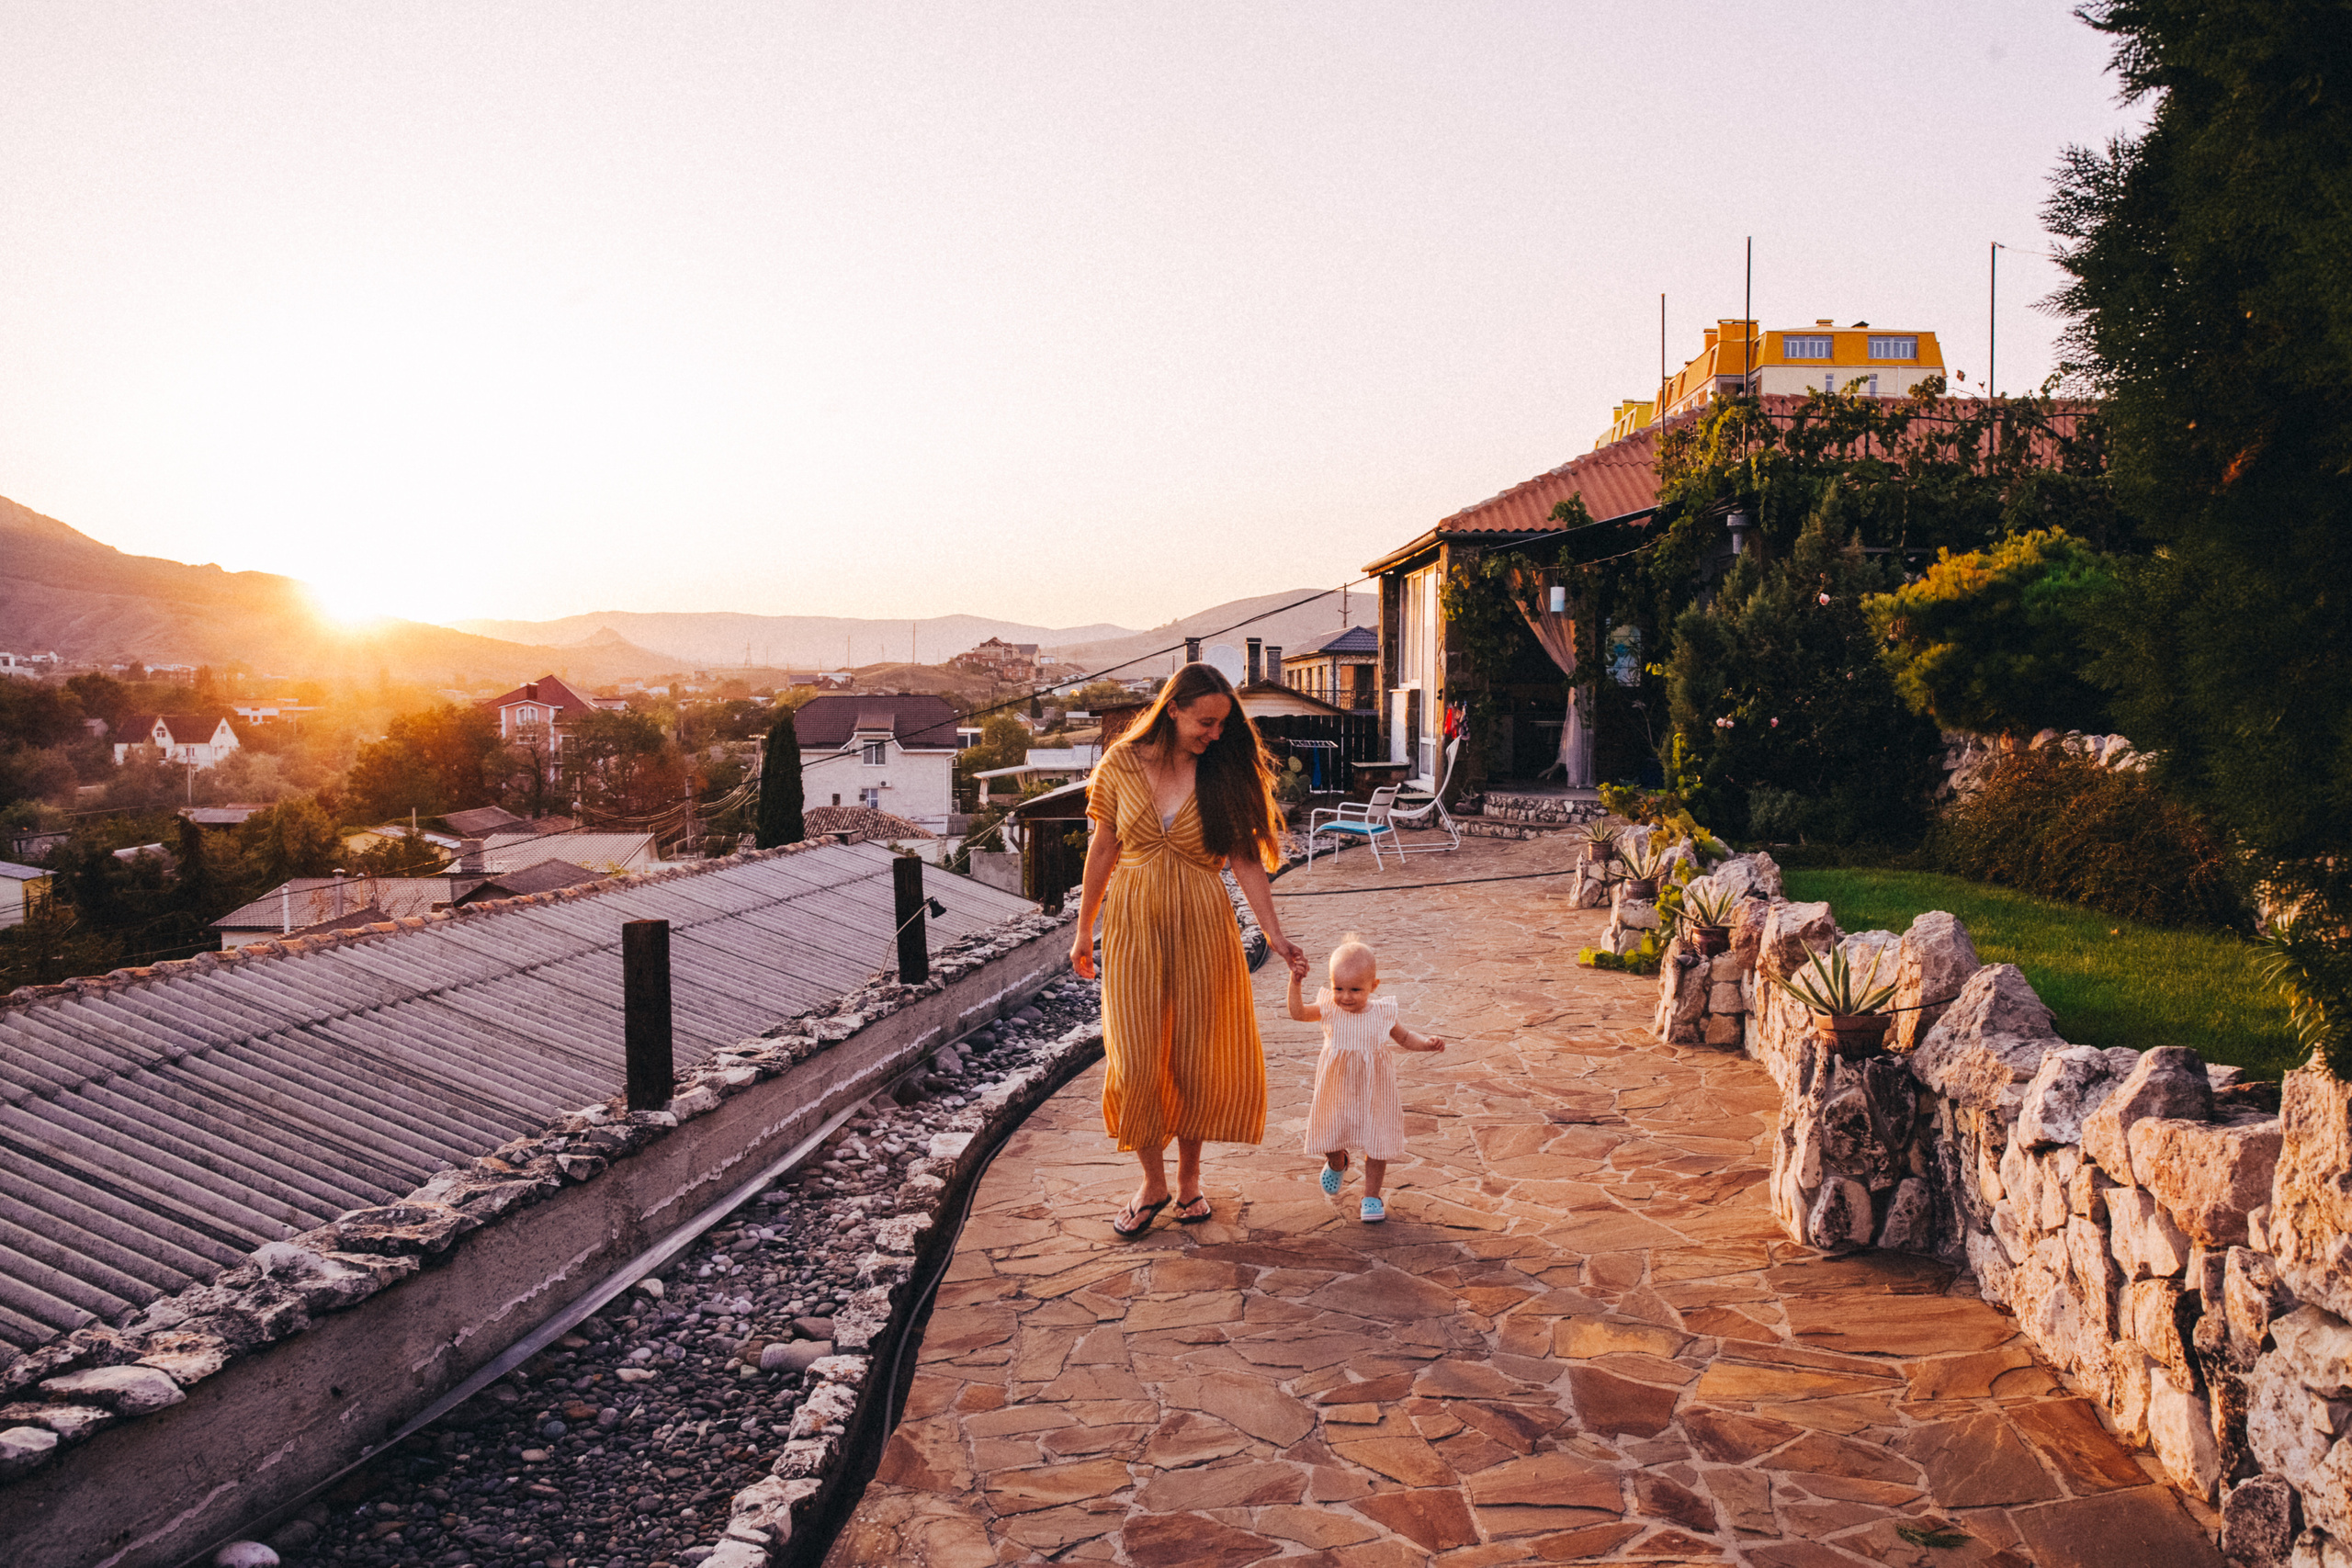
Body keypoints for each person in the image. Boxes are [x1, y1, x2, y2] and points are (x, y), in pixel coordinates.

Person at [1069, 661, 1307, 1235]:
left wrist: (1273, 932)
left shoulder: (1223, 772)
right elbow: (1103, 850)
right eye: (1205, 722)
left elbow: (1247, 858)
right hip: (1133, 925)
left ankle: (1190, 1183)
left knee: (1198, 1053)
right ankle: (1152, 1182)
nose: (1215, 735)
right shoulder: (1121, 764)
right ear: (1172, 709)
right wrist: (1083, 929)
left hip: (1204, 923)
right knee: (1136, 1052)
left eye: (1222, 725)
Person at [1286, 933, 1445, 1224]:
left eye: (1356, 989)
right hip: (1337, 1089)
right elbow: (1298, 1014)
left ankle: (1371, 1196)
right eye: (1339, 987)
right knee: (1329, 1133)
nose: (1346, 996)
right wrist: (1295, 984)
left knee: (1377, 1142)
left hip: (1374, 1091)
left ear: (1374, 986)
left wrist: (1426, 1043)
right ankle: (1337, 1161)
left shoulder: (1383, 1013)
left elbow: (1405, 1037)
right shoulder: (1330, 1009)